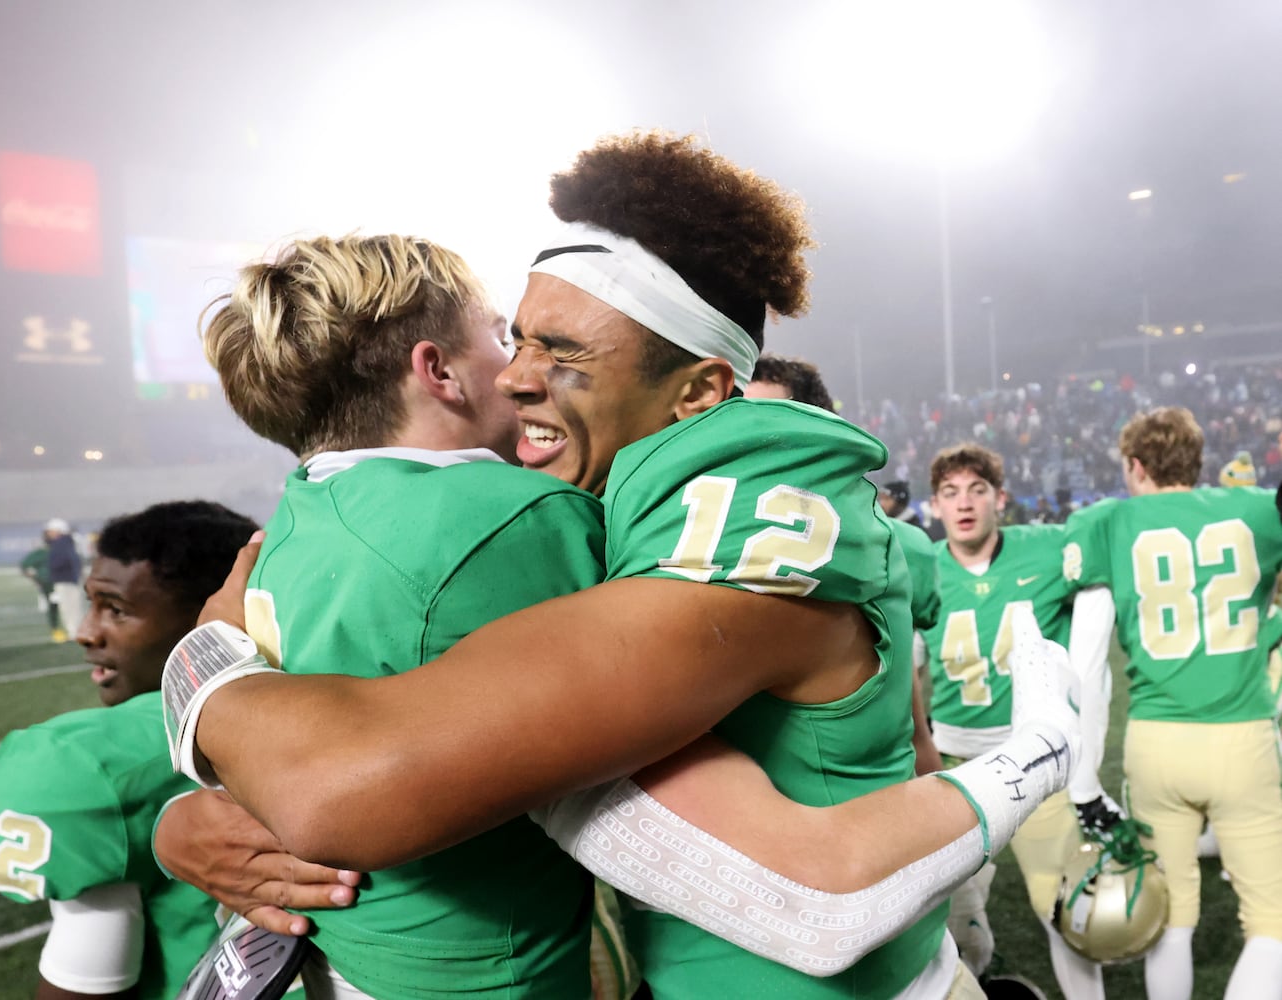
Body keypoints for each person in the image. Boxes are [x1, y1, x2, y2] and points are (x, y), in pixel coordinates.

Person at [166, 133, 1082, 998]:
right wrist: (192, 817)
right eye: (516, 337)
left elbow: (819, 893)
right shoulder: (607, 492)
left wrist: (201, 666)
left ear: (696, 395)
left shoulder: (744, 515)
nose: (517, 376)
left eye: (563, 355)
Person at [0, 500, 289, 1000]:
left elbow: (85, 981)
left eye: (116, 610)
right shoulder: (315, 703)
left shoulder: (90, 764)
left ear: (211, 613)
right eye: (92, 604)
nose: (86, 631)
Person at [1063, 407, 1282, 1000]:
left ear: (1134, 465)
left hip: (1155, 741)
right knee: (1271, 926)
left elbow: (1085, 664)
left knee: (1171, 917)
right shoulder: (1259, 510)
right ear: (1198, 460)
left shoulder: (1108, 522)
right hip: (1244, 737)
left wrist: (1082, 779)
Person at [921, 444, 1105, 998]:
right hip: (955, 762)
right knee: (951, 918)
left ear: (1001, 499)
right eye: (951, 493)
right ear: (935, 506)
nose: (965, 503)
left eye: (977, 489)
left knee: (1066, 910)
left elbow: (1106, 560)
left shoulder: (1048, 549)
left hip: (1036, 761)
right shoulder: (921, 565)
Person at [742, 354, 941, 775]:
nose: (740, 440)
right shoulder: (698, 531)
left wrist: (925, 758)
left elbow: (904, 696)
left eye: (762, 423)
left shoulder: (903, 545)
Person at [45, 518, 83, 643]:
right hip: (69, 578)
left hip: (65, 579)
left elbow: (62, 561)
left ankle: (74, 632)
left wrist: (54, 570)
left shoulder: (61, 543)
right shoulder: (66, 542)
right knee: (72, 607)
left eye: (51, 530)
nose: (49, 533)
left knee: (69, 607)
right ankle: (75, 631)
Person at [21, 527, 60, 633]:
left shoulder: (62, 550)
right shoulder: (42, 552)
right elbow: (24, 566)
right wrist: (35, 579)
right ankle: (56, 629)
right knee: (53, 606)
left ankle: (68, 630)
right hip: (48, 583)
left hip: (63, 582)